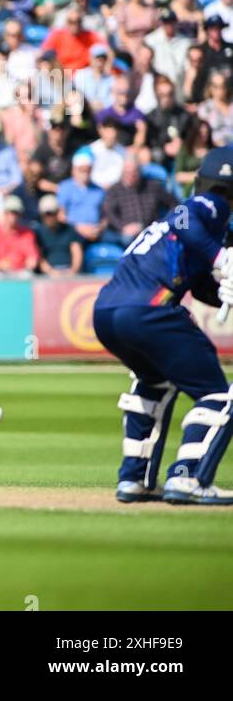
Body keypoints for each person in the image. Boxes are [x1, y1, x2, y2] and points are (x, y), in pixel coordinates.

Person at [93, 147, 233, 505]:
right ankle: (187, 478)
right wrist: (222, 258)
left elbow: (203, 288)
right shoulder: (209, 205)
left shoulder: (189, 230)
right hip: (148, 311)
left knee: (154, 382)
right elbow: (185, 218)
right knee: (215, 392)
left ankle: (134, 479)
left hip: (106, 313)